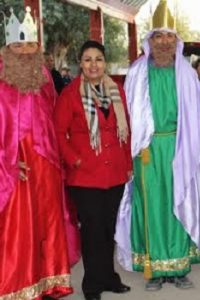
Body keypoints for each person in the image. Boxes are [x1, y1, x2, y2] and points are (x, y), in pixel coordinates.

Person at [121, 27, 200, 291]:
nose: (164, 42)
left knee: (181, 203)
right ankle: (154, 269)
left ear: (176, 42)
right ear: (150, 41)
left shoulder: (188, 75)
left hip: (181, 147)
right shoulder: (137, 72)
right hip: (148, 149)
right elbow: (127, 115)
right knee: (152, 205)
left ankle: (179, 267)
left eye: (169, 37)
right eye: (158, 37)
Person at [0, 6, 72, 299]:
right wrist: (5, 163)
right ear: (7, 47)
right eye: (18, 44)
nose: (24, 50)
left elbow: (56, 117)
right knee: (19, 228)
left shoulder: (44, 75)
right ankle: (17, 286)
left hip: (46, 164)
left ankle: (49, 282)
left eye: (29, 43)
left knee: (48, 223)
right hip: (14, 165)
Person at [54, 40, 132, 300]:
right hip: (85, 175)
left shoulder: (116, 90)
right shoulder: (70, 93)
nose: (93, 64)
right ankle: (92, 284)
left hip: (114, 173)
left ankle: (109, 277)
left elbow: (126, 129)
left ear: (105, 63)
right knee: (91, 229)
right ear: (81, 64)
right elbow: (59, 133)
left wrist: (127, 164)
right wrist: (74, 160)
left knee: (108, 228)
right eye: (87, 59)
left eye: (98, 59)